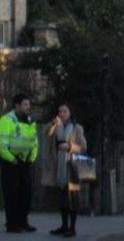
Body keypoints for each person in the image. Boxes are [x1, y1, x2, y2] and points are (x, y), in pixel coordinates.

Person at [43, 103, 87, 237]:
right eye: (59, 111)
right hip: (59, 167)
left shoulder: (77, 128)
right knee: (62, 198)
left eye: (65, 111)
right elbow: (46, 132)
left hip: (72, 166)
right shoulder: (55, 127)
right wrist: (53, 123)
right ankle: (63, 226)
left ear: (70, 113)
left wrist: (69, 147)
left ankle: (72, 228)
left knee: (73, 198)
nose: (61, 113)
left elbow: (83, 147)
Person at [0, 94, 38, 233]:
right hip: (11, 162)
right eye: (25, 104)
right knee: (12, 194)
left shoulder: (30, 121)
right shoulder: (6, 120)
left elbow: (34, 142)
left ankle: (23, 222)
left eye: (29, 104)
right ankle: (12, 224)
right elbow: (1, 144)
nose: (28, 107)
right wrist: (12, 159)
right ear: (17, 105)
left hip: (25, 162)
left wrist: (31, 158)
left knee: (26, 194)